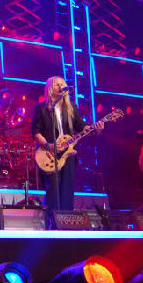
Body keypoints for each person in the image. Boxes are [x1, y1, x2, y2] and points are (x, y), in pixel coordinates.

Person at [31, 76, 99, 215]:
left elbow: (81, 126)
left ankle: (67, 220)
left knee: (67, 189)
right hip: (49, 154)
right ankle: (52, 221)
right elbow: (36, 132)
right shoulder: (41, 108)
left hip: (68, 153)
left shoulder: (71, 107)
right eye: (57, 84)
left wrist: (95, 128)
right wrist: (49, 145)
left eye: (63, 84)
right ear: (50, 88)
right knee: (53, 189)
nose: (61, 86)